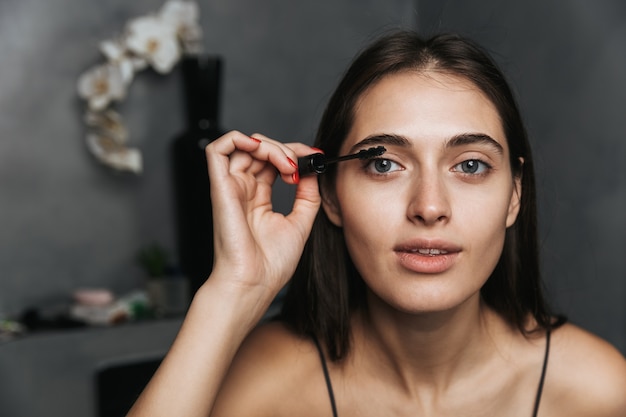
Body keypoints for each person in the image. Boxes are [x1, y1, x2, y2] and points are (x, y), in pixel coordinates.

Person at [127, 31, 626, 417]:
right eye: (384, 164)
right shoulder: (265, 384)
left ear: (514, 195)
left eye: (470, 165)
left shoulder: (600, 390)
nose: (429, 207)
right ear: (331, 194)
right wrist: (233, 291)